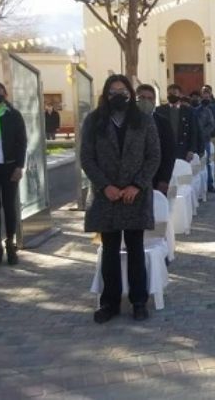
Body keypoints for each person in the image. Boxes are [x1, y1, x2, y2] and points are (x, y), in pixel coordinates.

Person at [80, 74, 160, 323]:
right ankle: (109, 302)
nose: (118, 95)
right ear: (106, 94)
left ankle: (139, 301)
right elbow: (87, 158)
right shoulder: (94, 121)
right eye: (113, 91)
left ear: (130, 94)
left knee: (136, 249)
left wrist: (137, 185)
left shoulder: (144, 121)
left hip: (135, 196)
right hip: (107, 197)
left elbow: (153, 156)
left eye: (122, 90)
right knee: (110, 251)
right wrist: (105, 186)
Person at [0, 82, 26, 267]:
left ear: (5, 93)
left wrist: (20, 166)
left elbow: (22, 142)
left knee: (9, 206)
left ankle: (11, 243)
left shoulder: (13, 115)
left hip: (9, 167)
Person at [136, 84, 175, 196]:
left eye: (150, 98)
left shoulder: (163, 123)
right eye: (142, 98)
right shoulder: (127, 122)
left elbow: (169, 154)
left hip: (156, 179)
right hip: (131, 180)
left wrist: (164, 179)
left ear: (154, 101)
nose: (146, 101)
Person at [156, 85, 200, 163]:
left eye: (174, 93)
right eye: (169, 93)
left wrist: (191, 150)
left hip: (183, 150)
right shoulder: (159, 110)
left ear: (180, 95)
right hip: (165, 150)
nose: (172, 95)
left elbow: (193, 131)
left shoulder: (188, 111)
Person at [192, 89, 215, 193]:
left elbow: (211, 125)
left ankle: (209, 184)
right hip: (193, 140)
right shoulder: (191, 110)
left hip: (204, 140)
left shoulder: (208, 111)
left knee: (205, 162)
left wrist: (202, 134)